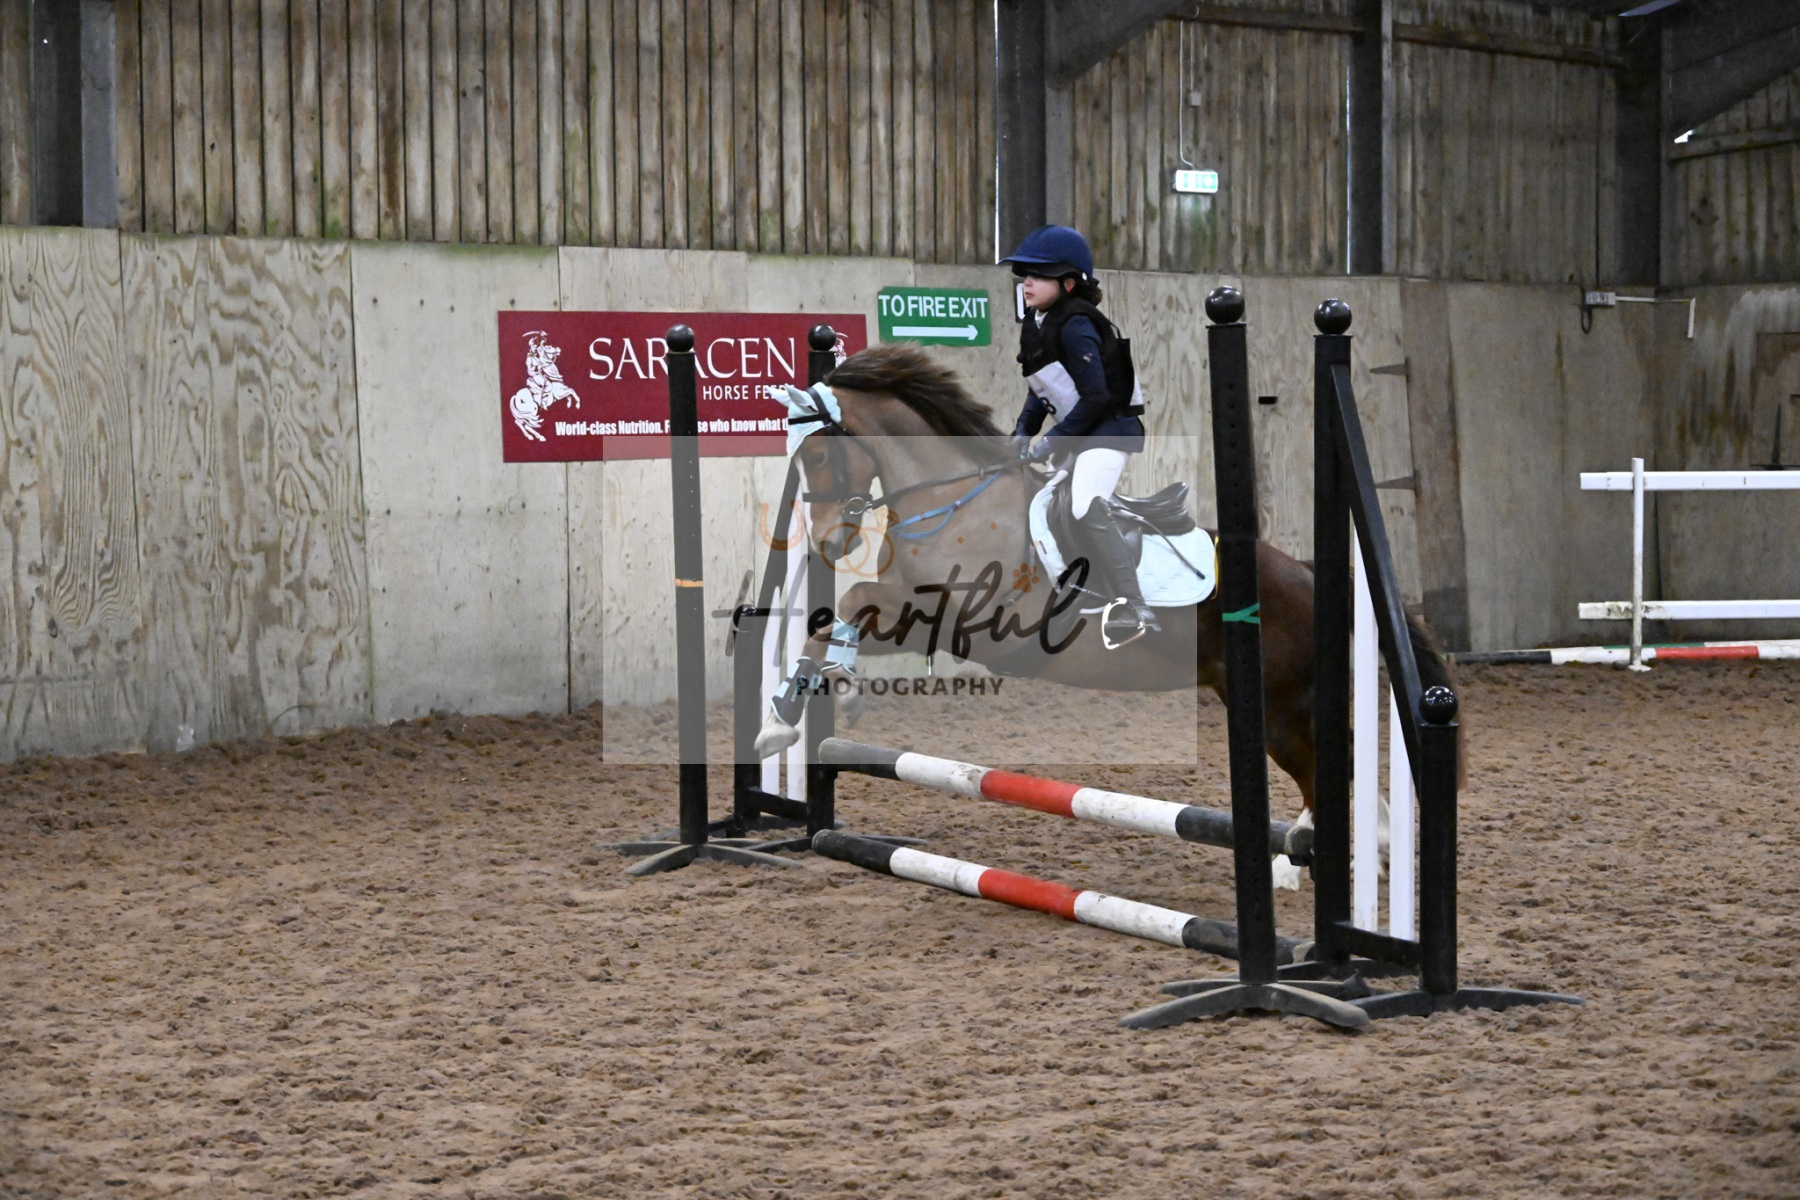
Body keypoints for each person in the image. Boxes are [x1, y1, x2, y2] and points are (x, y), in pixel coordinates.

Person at [1000, 224, 1158, 646]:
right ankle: (1081, 588)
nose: (1026, 282)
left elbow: (1097, 397)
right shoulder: (1037, 322)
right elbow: (1042, 388)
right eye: (1025, 275)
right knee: (1043, 504)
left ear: (1068, 284)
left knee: (1084, 503)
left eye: (1038, 276)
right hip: (1083, 432)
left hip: (1110, 431)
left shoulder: (1076, 325)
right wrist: (1022, 432)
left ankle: (1134, 606)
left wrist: (1050, 442)